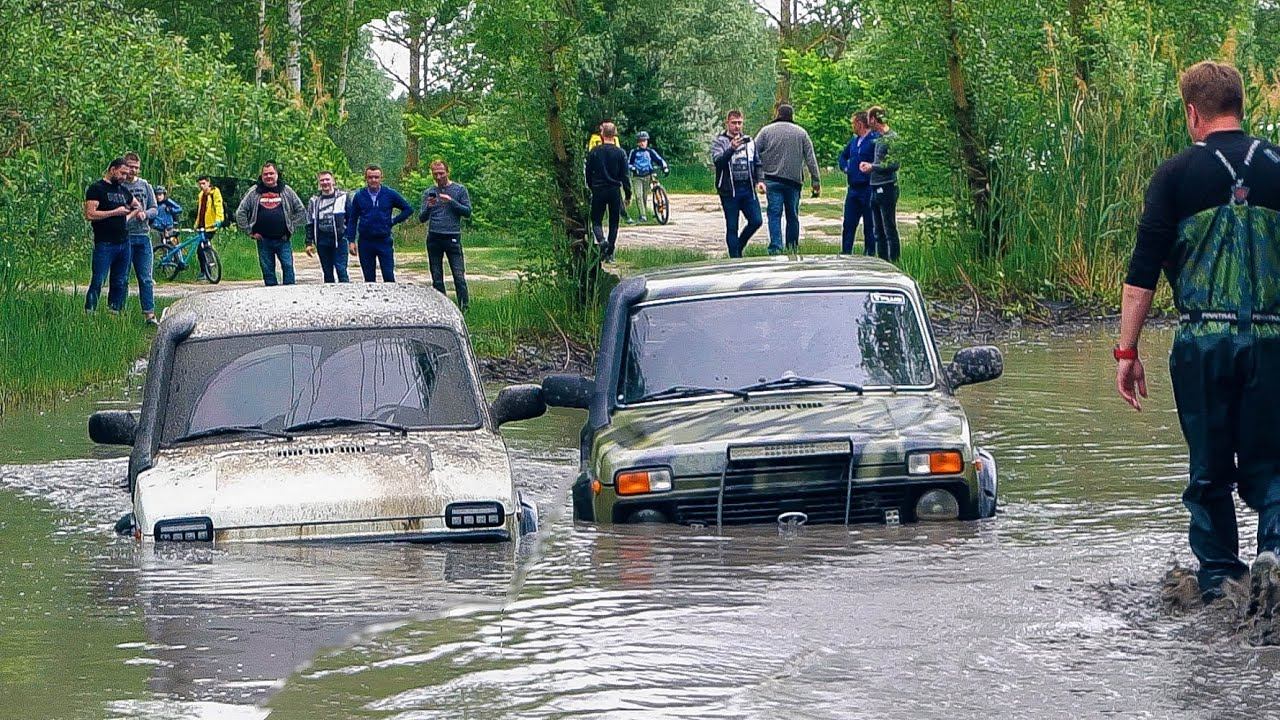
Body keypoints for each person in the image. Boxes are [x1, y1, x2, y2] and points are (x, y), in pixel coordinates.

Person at [1116, 61, 1280, 612]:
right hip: (1274, 344)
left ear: (1193, 112)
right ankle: (1274, 566)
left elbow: (1142, 273)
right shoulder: (1279, 166)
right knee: (1274, 470)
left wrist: (1127, 350)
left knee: (1209, 472)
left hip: (1202, 345)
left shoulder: (1174, 175)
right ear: (1240, 104)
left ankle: (1216, 591)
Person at [753, 103, 820, 254]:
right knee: (792, 215)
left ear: (777, 114)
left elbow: (753, 152)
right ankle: (792, 247)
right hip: (793, 182)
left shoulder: (766, 131)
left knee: (774, 214)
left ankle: (776, 247)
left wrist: (758, 177)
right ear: (792, 115)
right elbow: (811, 159)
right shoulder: (801, 133)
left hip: (772, 179)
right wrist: (816, 181)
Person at [234, 162, 307, 286]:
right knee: (267, 270)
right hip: (263, 239)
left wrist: (291, 227)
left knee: (288, 266)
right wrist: (249, 231)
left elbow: (301, 210)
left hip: (283, 239)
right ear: (261, 176)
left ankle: (290, 294)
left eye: (271, 173)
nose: (268, 176)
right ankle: (270, 298)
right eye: (265, 174)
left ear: (277, 174)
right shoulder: (254, 192)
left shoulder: (286, 191)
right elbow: (240, 212)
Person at [82, 157, 138, 313]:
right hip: (105, 243)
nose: (125, 177)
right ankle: (90, 311)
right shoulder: (97, 189)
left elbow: (137, 205)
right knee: (98, 279)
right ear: (113, 170)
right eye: (122, 173)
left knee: (120, 280)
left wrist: (128, 216)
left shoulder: (122, 190)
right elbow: (90, 214)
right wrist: (115, 212)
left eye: (127, 174)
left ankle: (114, 311)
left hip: (123, 242)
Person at [418, 159, 473, 310]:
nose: (438, 177)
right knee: (436, 277)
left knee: (458, 275)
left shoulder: (459, 190)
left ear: (448, 172)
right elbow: (422, 218)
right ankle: (442, 308)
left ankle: (464, 307)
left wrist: (451, 201)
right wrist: (429, 207)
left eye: (441, 173)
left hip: (452, 236)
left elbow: (467, 212)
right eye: (435, 174)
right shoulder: (429, 192)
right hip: (434, 237)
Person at [345, 164, 413, 283]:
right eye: (370, 177)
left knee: (388, 276)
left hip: (384, 240)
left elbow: (408, 209)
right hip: (365, 242)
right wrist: (351, 241)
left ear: (381, 178)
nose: (373, 180)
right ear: (366, 178)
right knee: (369, 279)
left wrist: (393, 221)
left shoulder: (389, 194)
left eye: (376, 177)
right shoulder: (359, 196)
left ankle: (391, 300)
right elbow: (353, 219)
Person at [710, 110, 763, 258]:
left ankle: (739, 246)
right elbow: (718, 162)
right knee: (732, 226)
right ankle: (735, 258)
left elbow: (757, 163)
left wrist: (760, 181)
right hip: (729, 190)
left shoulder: (749, 141)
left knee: (756, 220)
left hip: (747, 188)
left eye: (739, 123)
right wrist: (731, 149)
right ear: (727, 123)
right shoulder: (719, 141)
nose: (737, 126)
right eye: (734, 123)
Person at [584, 122, 631, 263]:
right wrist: (628, 194)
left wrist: (591, 186)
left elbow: (588, 172)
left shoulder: (595, 152)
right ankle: (610, 252)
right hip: (614, 190)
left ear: (602, 134)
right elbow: (625, 175)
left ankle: (602, 241)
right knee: (614, 222)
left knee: (596, 220)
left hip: (599, 189)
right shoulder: (620, 153)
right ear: (615, 134)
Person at [121, 152, 159, 323]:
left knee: (145, 278)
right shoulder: (119, 186)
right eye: (130, 167)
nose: (133, 170)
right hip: (125, 237)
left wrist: (145, 214)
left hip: (143, 236)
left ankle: (149, 314)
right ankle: (119, 312)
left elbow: (154, 208)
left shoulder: (145, 185)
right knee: (122, 278)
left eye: (136, 167)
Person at [859, 106, 900, 261]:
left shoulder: (892, 138)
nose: (869, 123)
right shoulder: (879, 138)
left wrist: (873, 167)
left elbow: (894, 164)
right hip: (875, 187)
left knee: (889, 227)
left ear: (874, 119)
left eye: (870, 119)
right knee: (878, 230)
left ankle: (894, 260)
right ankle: (882, 261)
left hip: (887, 186)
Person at [838, 111, 878, 256]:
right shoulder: (854, 141)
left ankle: (870, 253)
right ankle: (846, 252)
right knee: (849, 223)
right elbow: (843, 156)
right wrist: (845, 166)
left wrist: (871, 166)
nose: (852, 126)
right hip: (853, 188)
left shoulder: (874, 140)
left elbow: (880, 160)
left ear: (859, 123)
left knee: (869, 223)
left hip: (868, 187)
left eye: (853, 123)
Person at [304, 170, 350, 283]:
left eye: (327, 179)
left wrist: (351, 238)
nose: (325, 183)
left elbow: (351, 219)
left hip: (339, 239)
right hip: (322, 240)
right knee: (327, 272)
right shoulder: (314, 201)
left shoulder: (343, 197)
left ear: (333, 181)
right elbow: (310, 222)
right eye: (322, 180)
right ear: (319, 183)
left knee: (341, 269)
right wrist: (309, 242)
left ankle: (347, 294)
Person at [627, 131, 668, 223]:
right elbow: (628, 163)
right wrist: (632, 168)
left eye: (644, 141)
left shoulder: (650, 151)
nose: (642, 143)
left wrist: (664, 167)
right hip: (637, 176)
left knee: (645, 196)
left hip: (648, 175)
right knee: (638, 195)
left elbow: (659, 159)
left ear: (647, 141)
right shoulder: (634, 152)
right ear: (637, 142)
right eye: (640, 141)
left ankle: (645, 213)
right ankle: (643, 215)